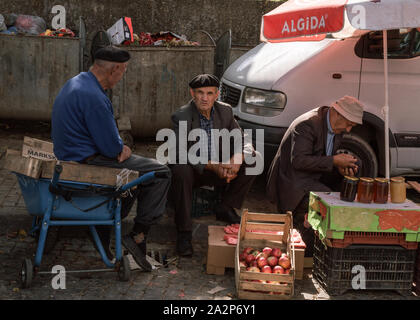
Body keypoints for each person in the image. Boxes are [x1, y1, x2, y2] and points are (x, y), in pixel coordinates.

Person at [51, 46, 171, 272]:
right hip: (89, 162)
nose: (123, 75)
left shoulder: (76, 82)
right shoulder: (94, 97)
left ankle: (103, 227)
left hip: (72, 156)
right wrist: (122, 148)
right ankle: (137, 236)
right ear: (115, 69)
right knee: (161, 172)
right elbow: (111, 149)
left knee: (135, 175)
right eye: (123, 70)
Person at [169, 74, 261, 256]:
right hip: (196, 170)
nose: (205, 98)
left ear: (217, 94)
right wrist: (214, 166)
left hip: (220, 166)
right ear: (192, 93)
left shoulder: (225, 111)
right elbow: (180, 152)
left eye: (209, 93)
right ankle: (184, 232)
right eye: (200, 93)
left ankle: (225, 206)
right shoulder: (182, 115)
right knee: (180, 168)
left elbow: (242, 140)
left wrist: (237, 158)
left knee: (254, 159)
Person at [266, 95, 364, 256]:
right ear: (337, 113)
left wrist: (339, 167)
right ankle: (311, 238)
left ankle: (341, 232)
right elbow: (299, 161)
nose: (348, 130)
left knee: (356, 165)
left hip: (313, 175)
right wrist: (333, 161)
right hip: (294, 181)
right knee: (327, 200)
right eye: (348, 124)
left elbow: (321, 156)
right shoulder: (308, 124)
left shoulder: (335, 127)